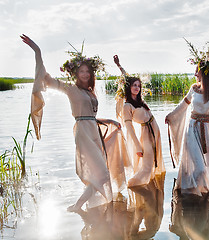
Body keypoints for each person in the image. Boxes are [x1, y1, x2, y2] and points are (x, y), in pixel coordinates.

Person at [21, 34, 131, 212]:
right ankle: (78, 206)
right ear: (76, 73)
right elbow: (46, 78)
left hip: (93, 130)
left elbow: (90, 116)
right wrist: (37, 51)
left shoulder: (90, 92)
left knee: (101, 173)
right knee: (102, 173)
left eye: (88, 71)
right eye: (82, 71)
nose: (85, 74)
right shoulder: (70, 89)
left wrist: (110, 120)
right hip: (83, 133)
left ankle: (79, 207)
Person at [165, 40, 209, 196]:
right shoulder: (194, 88)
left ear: (204, 73)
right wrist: (171, 116)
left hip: (208, 130)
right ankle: (191, 192)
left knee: (208, 165)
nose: (195, 74)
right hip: (192, 129)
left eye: (197, 71)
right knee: (200, 168)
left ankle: (198, 193)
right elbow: (184, 104)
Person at [113, 55, 165, 187]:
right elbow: (129, 129)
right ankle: (132, 185)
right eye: (134, 85)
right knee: (147, 166)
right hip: (146, 135)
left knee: (153, 163)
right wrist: (137, 146)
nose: (137, 87)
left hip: (155, 132)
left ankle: (152, 192)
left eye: (139, 85)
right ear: (129, 87)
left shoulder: (140, 101)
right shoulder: (127, 106)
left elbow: (127, 78)